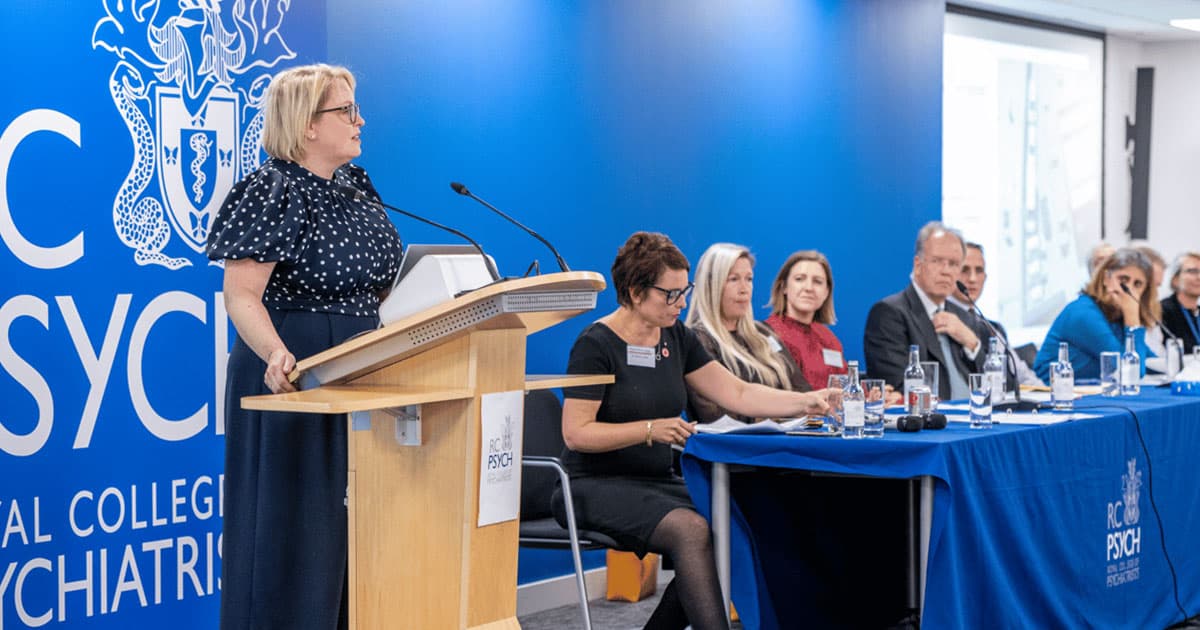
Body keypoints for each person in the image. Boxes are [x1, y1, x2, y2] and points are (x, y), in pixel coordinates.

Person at [206, 64, 403, 630]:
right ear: (307, 125)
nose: (360, 120)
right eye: (346, 110)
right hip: (294, 375)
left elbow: (377, 281)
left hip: (363, 367)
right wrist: (273, 352)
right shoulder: (273, 188)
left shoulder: (358, 188)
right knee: (298, 532)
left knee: (355, 531)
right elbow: (242, 295)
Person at [555, 231, 833, 630]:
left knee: (738, 520)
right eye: (670, 294)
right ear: (635, 292)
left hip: (654, 480)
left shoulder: (676, 337)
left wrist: (806, 401)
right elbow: (577, 433)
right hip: (592, 483)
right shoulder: (596, 344)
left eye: (683, 290)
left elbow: (737, 392)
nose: (682, 302)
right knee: (692, 530)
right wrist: (649, 429)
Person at [684, 243, 811, 423]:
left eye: (749, 279)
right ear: (711, 285)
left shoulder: (763, 332)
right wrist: (787, 412)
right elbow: (718, 417)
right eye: (733, 279)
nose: (744, 289)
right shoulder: (697, 339)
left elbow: (803, 392)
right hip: (734, 448)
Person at [863, 222, 990, 400]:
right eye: (937, 261)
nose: (946, 271)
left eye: (953, 264)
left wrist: (972, 344)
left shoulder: (962, 317)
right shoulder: (889, 314)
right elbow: (898, 386)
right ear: (918, 265)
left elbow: (995, 385)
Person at [1033, 248, 1157, 382]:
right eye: (1123, 279)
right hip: (1053, 393)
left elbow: (1148, 360)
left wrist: (1178, 365)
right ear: (1106, 279)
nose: (1129, 289)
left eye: (1137, 284)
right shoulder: (1083, 312)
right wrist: (1133, 320)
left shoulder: (1117, 313)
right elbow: (1131, 373)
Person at [949, 242, 1044, 387]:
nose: (973, 278)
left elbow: (1021, 375)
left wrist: (1046, 395)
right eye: (965, 270)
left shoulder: (993, 328)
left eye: (979, 270)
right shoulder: (942, 320)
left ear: (985, 278)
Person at [763, 250, 847, 390]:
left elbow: (847, 387)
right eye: (799, 279)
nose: (808, 288)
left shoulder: (829, 339)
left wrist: (871, 395)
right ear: (784, 287)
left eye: (817, 282)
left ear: (826, 292)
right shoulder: (767, 335)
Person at [1159, 252, 1200, 353]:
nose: (1199, 277)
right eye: (1192, 271)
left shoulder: (1197, 312)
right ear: (1175, 279)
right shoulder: (1161, 311)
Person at [1133, 243, 1167, 357]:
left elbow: (1156, 350)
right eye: (1151, 285)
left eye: (1157, 286)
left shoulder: (1152, 309)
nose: (1155, 292)